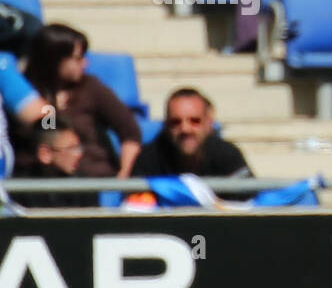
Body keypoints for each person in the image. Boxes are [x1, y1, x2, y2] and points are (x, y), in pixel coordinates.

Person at [21, 24, 141, 179]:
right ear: (54, 60)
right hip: (36, 185)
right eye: (77, 58)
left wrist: (123, 175)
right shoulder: (25, 95)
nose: (85, 63)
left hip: (91, 180)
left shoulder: (91, 88)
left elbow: (130, 132)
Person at [131, 88, 252, 178]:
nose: (185, 129)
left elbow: (251, 202)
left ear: (209, 123)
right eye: (176, 122)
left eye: (195, 121)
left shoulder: (228, 155)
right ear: (165, 125)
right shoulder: (147, 159)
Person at [9, 118, 99, 209]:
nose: (79, 154)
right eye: (71, 148)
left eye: (78, 147)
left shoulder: (84, 185)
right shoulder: (19, 188)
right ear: (45, 154)